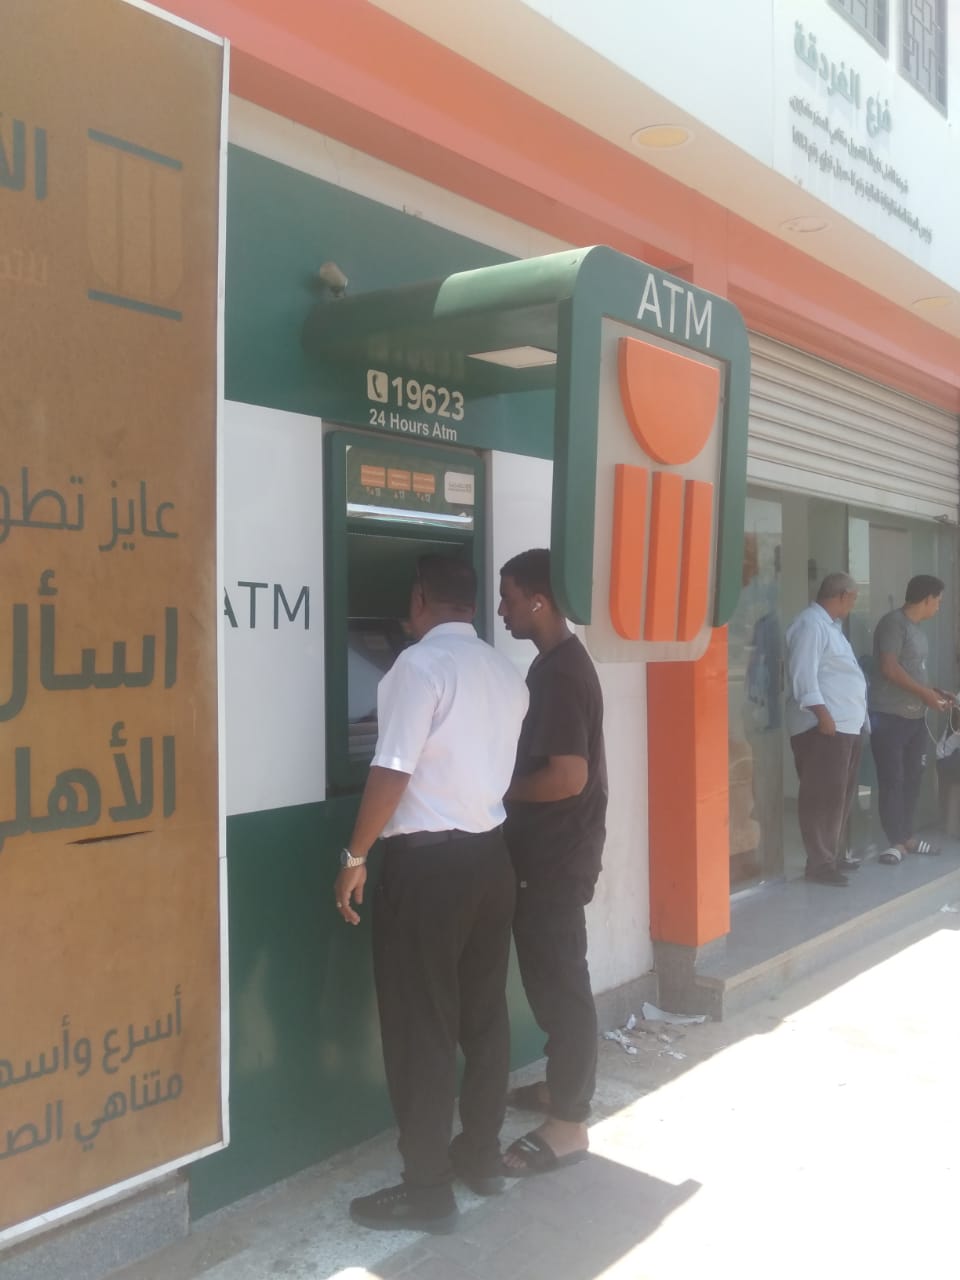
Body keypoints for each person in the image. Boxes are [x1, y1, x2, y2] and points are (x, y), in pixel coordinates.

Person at [333, 554, 528, 1233]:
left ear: (420, 598)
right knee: (485, 1018)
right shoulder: (504, 671)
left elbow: (391, 769)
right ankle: (481, 1157)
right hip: (490, 859)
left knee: (422, 1028)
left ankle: (426, 1190)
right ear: (469, 603)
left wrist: (355, 855)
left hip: (428, 870)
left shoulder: (417, 667)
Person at [496, 548, 607, 1177]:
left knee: (560, 983)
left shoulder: (561, 674)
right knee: (551, 978)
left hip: (556, 859)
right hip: (553, 853)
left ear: (538, 601)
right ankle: (563, 1085)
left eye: (510, 598)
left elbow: (568, 777)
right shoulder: (557, 663)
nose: (502, 610)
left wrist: (501, 790)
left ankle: (569, 1123)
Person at [784, 573, 868, 888]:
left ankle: (832, 853)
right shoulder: (811, 624)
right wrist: (822, 714)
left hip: (846, 725)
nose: (853, 604)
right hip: (824, 726)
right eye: (853, 598)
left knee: (840, 795)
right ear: (842, 595)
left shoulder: (831, 628)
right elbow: (802, 675)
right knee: (821, 795)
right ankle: (820, 863)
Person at [869, 574, 950, 865]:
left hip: (916, 718)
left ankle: (907, 836)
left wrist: (933, 692)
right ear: (927, 599)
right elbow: (889, 668)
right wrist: (924, 693)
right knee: (893, 778)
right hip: (890, 716)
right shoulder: (893, 624)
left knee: (913, 778)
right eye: (938, 601)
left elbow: (913, 671)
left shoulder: (918, 631)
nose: (939, 607)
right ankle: (895, 842)